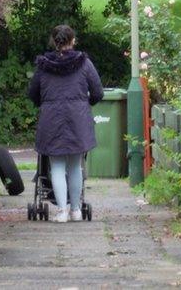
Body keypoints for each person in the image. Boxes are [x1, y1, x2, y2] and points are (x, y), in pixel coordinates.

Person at [28, 24, 104, 222]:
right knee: (75, 166)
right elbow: (98, 92)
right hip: (77, 120)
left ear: (54, 41)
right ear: (73, 41)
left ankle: (61, 211)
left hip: (51, 120)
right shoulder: (84, 64)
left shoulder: (44, 66)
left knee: (57, 166)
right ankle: (76, 210)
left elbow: (33, 93)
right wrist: (86, 104)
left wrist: (44, 104)